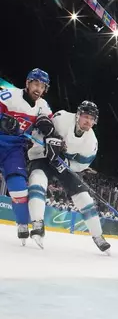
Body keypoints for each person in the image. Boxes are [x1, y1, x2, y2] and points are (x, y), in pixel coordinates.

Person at [26, 101, 110, 252]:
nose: (88, 121)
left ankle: (98, 236)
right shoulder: (62, 118)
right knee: (37, 179)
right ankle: (37, 223)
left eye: (92, 119)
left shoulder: (91, 142)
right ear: (78, 115)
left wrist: (66, 164)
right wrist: (47, 143)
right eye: (85, 116)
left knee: (84, 197)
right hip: (43, 157)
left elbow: (82, 165)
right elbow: (39, 131)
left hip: (64, 165)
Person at [0, 69, 58, 243]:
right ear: (27, 83)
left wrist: (51, 134)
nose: (38, 89)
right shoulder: (8, 95)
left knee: (19, 187)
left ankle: (22, 224)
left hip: (14, 149)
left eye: (42, 86)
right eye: (35, 84)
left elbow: (49, 126)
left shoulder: (43, 106)